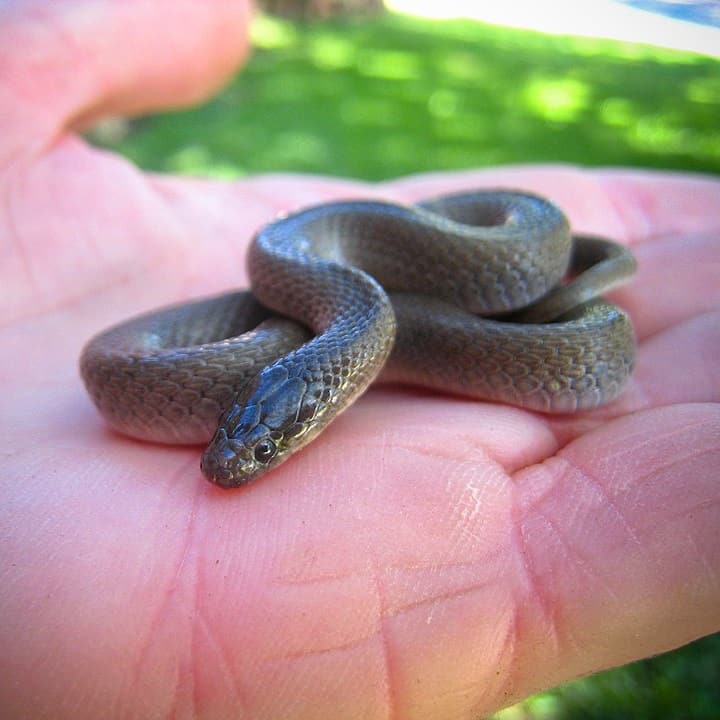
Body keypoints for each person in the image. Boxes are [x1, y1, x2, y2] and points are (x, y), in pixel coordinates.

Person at [1, 2, 718, 718]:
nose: (238, 457)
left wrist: (564, 303)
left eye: (268, 441)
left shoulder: (343, 313)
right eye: (251, 435)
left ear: (321, 403)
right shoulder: (314, 297)